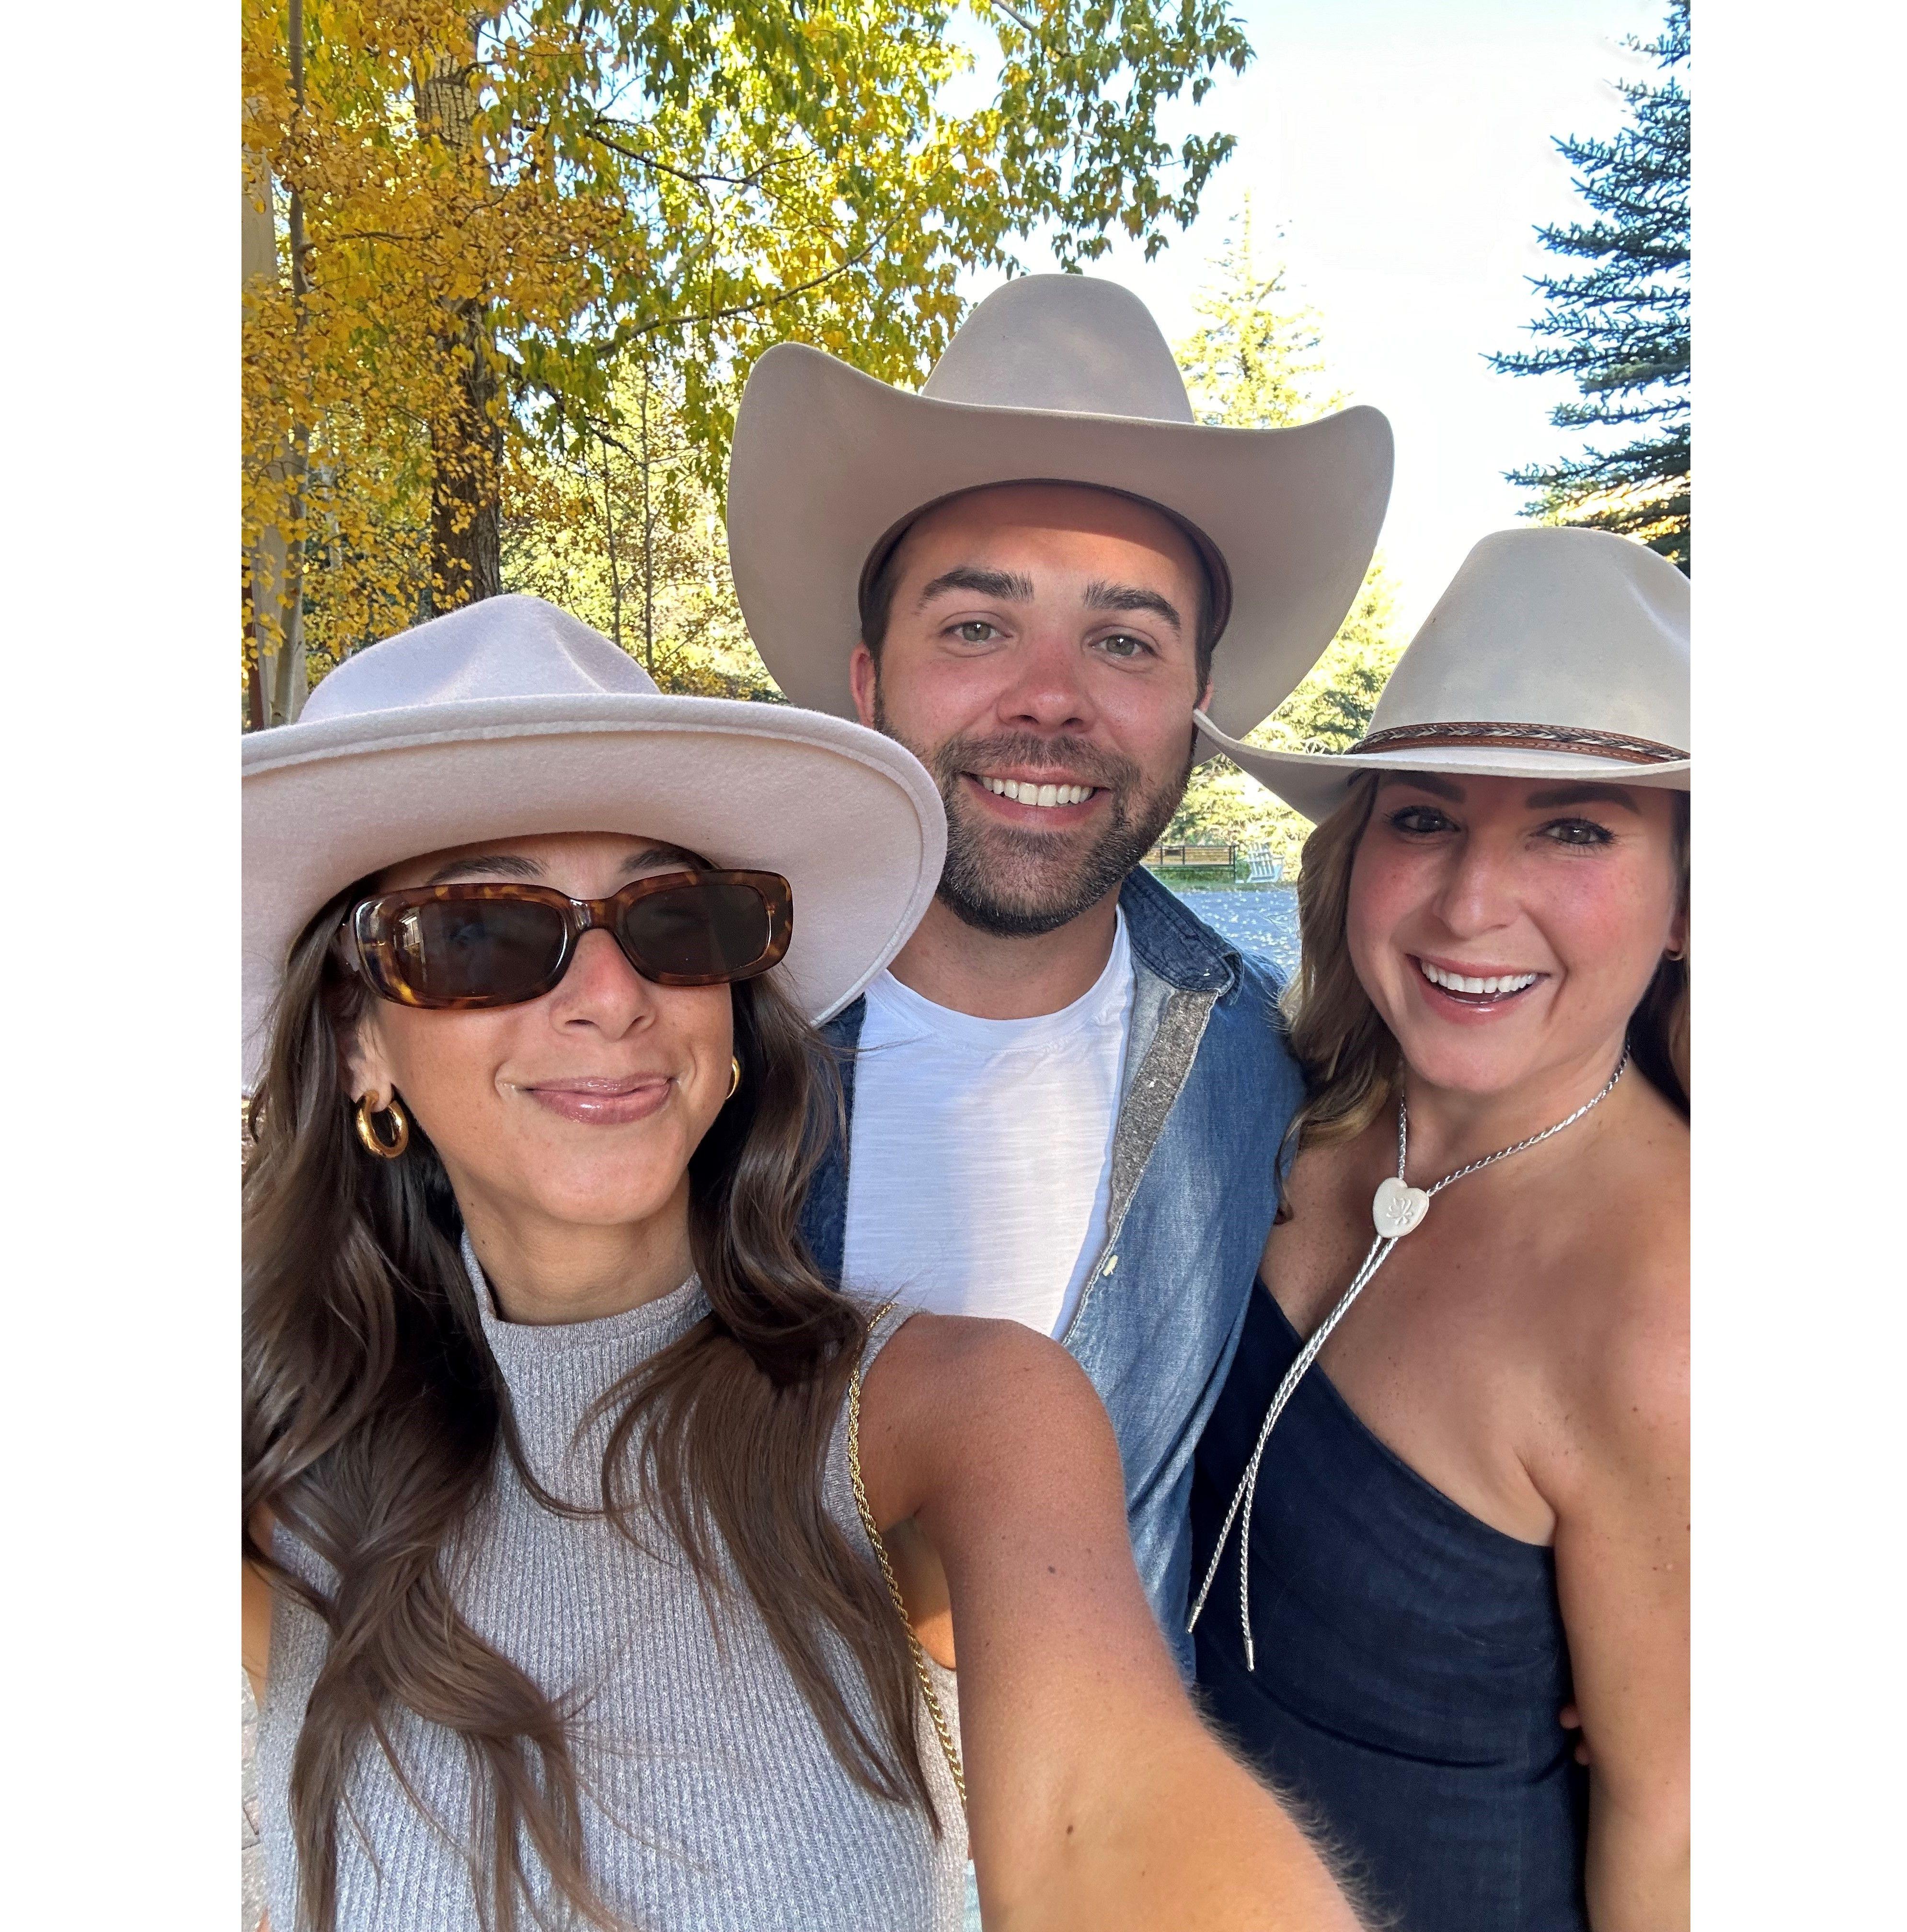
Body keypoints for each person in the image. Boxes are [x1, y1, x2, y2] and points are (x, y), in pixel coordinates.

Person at [241, 596, 1362, 1932]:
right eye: (481, 931)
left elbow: (1107, 1812)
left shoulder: (960, 1419)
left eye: (676, 921)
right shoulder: (265, 1473)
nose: (612, 996)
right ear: (357, 1041)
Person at [725, 271, 1395, 1671]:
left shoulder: (1269, 1079)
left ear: (1196, 704)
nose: (1051, 698)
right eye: (978, 626)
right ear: (870, 685)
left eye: (1125, 641)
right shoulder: (692, 1043)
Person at [1186, 528, 1690, 1932]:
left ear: (1691, 904)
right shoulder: (1275, 1111)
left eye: (1575, 827)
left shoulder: (1675, 1309)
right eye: (1423, 817)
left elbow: (1680, 1836)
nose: (1471, 903)